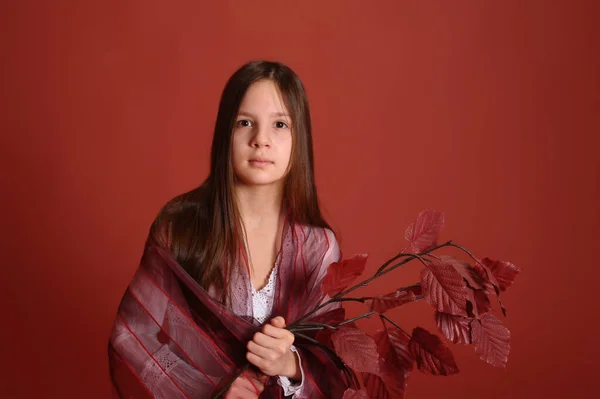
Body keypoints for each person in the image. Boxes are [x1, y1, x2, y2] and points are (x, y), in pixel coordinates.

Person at [108, 60, 354, 399]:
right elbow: (131, 337)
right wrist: (211, 389)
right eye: (245, 123)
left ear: (301, 139)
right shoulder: (180, 228)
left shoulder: (319, 247)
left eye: (280, 124)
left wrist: (290, 365)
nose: (261, 139)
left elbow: (333, 363)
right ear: (226, 133)